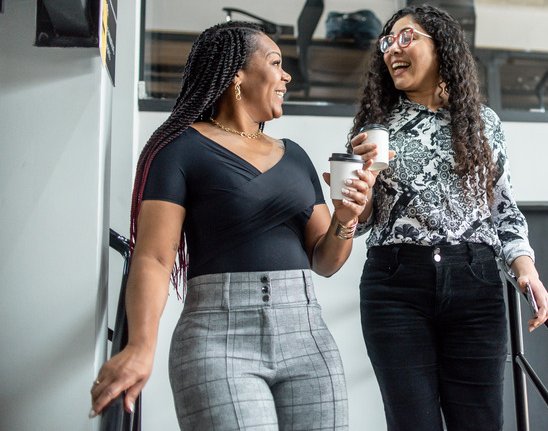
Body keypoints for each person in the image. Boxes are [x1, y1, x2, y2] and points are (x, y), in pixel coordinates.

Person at [89, 21, 372, 430]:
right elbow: (152, 257)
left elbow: (325, 262)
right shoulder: (179, 149)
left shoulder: (296, 157)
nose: (287, 75)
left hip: (309, 336)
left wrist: (346, 218)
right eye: (275, 63)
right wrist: (140, 346)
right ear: (237, 74)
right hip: (217, 338)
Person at [347, 4, 548, 431]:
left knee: (480, 422)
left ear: (441, 47)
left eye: (406, 37)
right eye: (386, 42)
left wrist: (526, 271)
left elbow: (504, 209)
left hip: (475, 281)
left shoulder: (484, 123)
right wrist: (361, 190)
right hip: (395, 287)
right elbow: (366, 220)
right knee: (413, 423)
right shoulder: (374, 127)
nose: (392, 49)